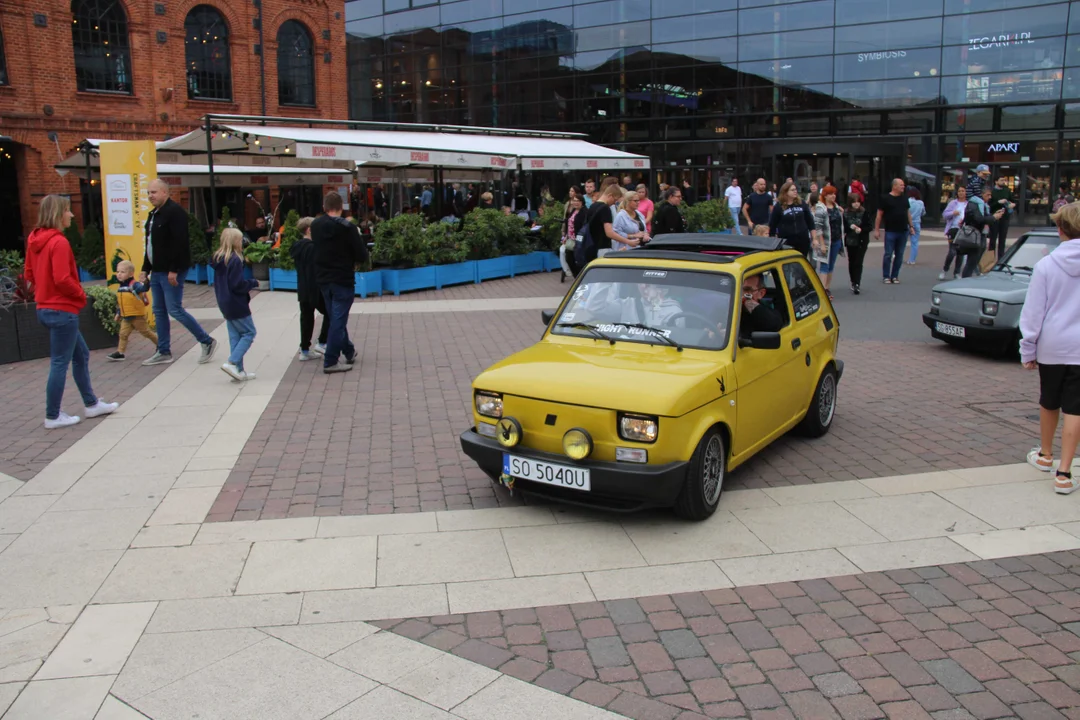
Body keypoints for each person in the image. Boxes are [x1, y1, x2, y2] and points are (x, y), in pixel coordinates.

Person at [25, 194, 119, 428]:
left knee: (81, 354)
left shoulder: (34, 239)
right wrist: (80, 294)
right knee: (60, 362)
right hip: (62, 310)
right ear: (58, 214)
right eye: (67, 210)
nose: (72, 214)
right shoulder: (59, 242)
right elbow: (63, 278)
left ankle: (91, 403)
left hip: (46, 307)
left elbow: (28, 274)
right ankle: (53, 415)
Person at [1020, 201, 1080, 494]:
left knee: (1049, 400)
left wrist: (1027, 349)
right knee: (1076, 409)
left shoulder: (1045, 265)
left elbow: (1033, 312)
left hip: (1053, 344)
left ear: (1060, 229)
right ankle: (1064, 473)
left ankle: (1045, 455)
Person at [140, 179, 217, 366]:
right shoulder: (153, 215)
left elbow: (179, 243)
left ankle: (206, 341)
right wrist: (145, 268)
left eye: (154, 192)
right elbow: (150, 244)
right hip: (157, 270)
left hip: (170, 270)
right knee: (159, 311)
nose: (150, 196)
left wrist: (173, 269)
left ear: (165, 193)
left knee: (174, 309)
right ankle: (164, 351)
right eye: (149, 192)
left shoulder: (175, 213)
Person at [313, 191, 368, 374]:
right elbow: (361, 254)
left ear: (324, 207)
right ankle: (330, 360)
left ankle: (349, 350)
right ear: (341, 207)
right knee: (338, 320)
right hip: (342, 278)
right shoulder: (347, 227)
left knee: (336, 317)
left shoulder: (316, 225)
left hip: (323, 278)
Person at [211, 228, 260, 381]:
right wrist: (252, 283)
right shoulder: (235, 260)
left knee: (235, 336)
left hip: (224, 301)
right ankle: (232, 363)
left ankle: (238, 370)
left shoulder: (218, 259)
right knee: (249, 333)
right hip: (236, 303)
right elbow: (237, 285)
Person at [290, 216, 330, 361]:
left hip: (303, 287)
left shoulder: (297, 247)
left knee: (306, 318)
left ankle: (305, 349)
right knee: (330, 312)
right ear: (309, 230)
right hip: (316, 287)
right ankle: (322, 342)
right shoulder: (313, 248)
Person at [107, 260, 156, 361]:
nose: (119, 274)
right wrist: (118, 313)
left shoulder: (134, 285)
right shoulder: (121, 287)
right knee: (123, 334)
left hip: (137, 316)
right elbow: (122, 303)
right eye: (118, 272)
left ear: (131, 274)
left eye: (122, 272)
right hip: (126, 316)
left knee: (146, 332)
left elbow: (144, 289)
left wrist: (146, 282)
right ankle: (120, 352)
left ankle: (161, 345)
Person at [874, 178, 914, 284]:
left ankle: (895, 275)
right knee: (888, 254)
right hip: (891, 230)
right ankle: (886, 276)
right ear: (894, 186)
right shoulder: (885, 198)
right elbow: (879, 215)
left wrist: (911, 226)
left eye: (903, 185)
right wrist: (877, 230)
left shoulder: (905, 198)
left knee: (899, 254)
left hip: (903, 230)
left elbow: (907, 213)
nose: (903, 187)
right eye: (901, 185)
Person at [956, 191, 1002, 278]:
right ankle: (965, 280)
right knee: (972, 261)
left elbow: (982, 217)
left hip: (980, 234)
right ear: (982, 194)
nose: (990, 197)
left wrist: (993, 216)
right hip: (975, 235)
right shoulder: (976, 204)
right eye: (987, 195)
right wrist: (993, 217)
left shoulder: (982, 205)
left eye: (990, 195)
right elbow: (979, 219)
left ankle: (968, 278)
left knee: (973, 261)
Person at [583, 184, 633, 261]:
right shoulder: (605, 208)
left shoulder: (593, 206)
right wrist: (628, 241)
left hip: (591, 246)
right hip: (603, 248)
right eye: (615, 200)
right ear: (610, 195)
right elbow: (609, 233)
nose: (614, 203)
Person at [768, 181, 814, 257]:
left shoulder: (802, 203)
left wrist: (814, 238)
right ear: (785, 192)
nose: (795, 191)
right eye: (792, 190)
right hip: (787, 241)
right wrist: (774, 241)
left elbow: (810, 222)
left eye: (795, 189)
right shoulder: (779, 206)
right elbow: (772, 225)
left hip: (803, 240)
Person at [814, 186, 844, 298]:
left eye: (834, 194)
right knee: (824, 265)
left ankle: (827, 287)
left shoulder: (836, 207)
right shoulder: (821, 208)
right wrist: (821, 244)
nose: (833, 196)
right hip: (826, 241)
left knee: (831, 265)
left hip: (836, 240)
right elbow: (818, 228)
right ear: (825, 195)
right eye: (831, 194)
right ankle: (822, 290)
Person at [740, 273, 784, 339]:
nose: (741, 293)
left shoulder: (765, 312)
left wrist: (746, 301)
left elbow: (775, 324)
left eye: (747, 290)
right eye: (738, 289)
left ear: (761, 293)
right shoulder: (724, 308)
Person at [940, 187, 969, 280]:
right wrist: (953, 213)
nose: (961, 193)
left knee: (960, 252)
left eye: (963, 191)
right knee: (952, 252)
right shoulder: (953, 203)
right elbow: (945, 214)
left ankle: (956, 273)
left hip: (964, 230)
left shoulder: (968, 204)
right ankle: (945, 270)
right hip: (953, 229)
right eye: (959, 191)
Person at [845, 194, 870, 295]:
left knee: (858, 262)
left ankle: (857, 284)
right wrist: (850, 227)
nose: (856, 204)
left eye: (858, 202)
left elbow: (869, 226)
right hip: (850, 240)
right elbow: (844, 227)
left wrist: (862, 229)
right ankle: (853, 281)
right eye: (854, 202)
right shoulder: (846, 213)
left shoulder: (864, 212)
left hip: (861, 240)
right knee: (851, 261)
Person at [561, 194, 587, 278]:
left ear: (582, 202)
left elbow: (584, 227)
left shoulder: (585, 212)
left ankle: (581, 278)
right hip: (571, 239)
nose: (575, 203)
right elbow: (569, 224)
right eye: (574, 200)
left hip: (580, 240)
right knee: (569, 258)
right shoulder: (573, 211)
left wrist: (579, 240)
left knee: (579, 260)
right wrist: (566, 236)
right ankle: (577, 277)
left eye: (578, 201)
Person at [989, 176, 1015, 260]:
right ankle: (990, 260)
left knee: (1002, 239)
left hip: (1005, 217)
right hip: (994, 217)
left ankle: (1001, 259)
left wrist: (1013, 204)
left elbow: (1013, 200)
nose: (1003, 182)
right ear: (996, 181)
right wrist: (998, 202)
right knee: (992, 239)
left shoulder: (1007, 190)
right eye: (1001, 180)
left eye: (1004, 180)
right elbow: (989, 206)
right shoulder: (991, 191)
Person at [906, 189, 926, 265]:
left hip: (907, 223)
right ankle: (912, 260)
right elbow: (923, 212)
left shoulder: (908, 201)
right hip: (917, 223)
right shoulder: (921, 203)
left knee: (902, 241)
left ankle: (897, 256)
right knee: (915, 242)